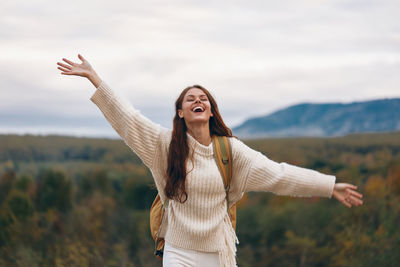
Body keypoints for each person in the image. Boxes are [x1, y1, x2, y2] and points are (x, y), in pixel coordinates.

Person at [56, 54, 363, 267]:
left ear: (212, 111)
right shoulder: (164, 145)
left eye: (203, 98)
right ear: (181, 112)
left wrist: (328, 185)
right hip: (178, 251)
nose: (198, 101)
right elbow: (128, 120)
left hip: (218, 252)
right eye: (190, 98)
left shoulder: (230, 151)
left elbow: (278, 175)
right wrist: (95, 78)